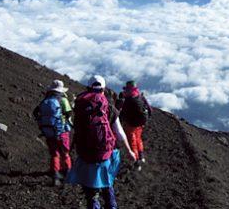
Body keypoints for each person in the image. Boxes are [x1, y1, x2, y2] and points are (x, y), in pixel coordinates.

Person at [67, 75, 136, 209]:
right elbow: (120, 133)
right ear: (103, 89)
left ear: (88, 88)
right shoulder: (109, 108)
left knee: (92, 195)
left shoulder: (80, 106)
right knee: (107, 183)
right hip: (104, 154)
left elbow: (76, 130)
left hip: (86, 155)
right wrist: (130, 151)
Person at [33, 80, 73, 186]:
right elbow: (69, 113)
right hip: (62, 131)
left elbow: (35, 112)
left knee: (55, 154)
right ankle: (68, 173)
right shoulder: (63, 100)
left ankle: (55, 175)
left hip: (49, 132)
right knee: (65, 153)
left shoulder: (45, 100)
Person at [118, 80, 152, 171]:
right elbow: (149, 109)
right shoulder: (140, 96)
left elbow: (123, 114)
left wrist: (120, 122)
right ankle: (141, 156)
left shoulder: (129, 100)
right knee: (138, 139)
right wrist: (146, 120)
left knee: (132, 142)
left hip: (131, 125)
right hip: (140, 124)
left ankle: (136, 162)